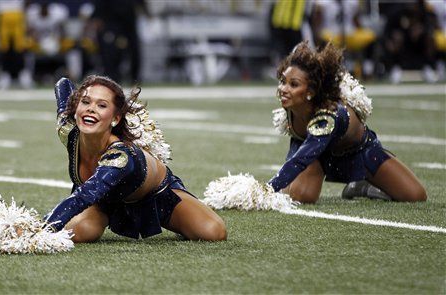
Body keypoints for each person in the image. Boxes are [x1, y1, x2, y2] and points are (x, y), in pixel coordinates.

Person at [44, 75, 227, 242]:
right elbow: (63, 83)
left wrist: (41, 230)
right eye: (85, 102)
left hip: (157, 195)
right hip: (102, 199)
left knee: (214, 232)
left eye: (102, 105)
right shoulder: (67, 130)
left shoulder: (121, 156)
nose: (91, 109)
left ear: (115, 119)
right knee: (79, 231)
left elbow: (85, 195)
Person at [269, 41, 427, 203]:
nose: (283, 88)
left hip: (357, 152)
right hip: (314, 155)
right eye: (283, 81)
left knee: (416, 196)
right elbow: (302, 157)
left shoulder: (330, 115)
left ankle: (362, 184)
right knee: (302, 197)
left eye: (293, 84)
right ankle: (297, 184)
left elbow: (300, 159)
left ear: (311, 92)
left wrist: (265, 190)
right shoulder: (292, 106)